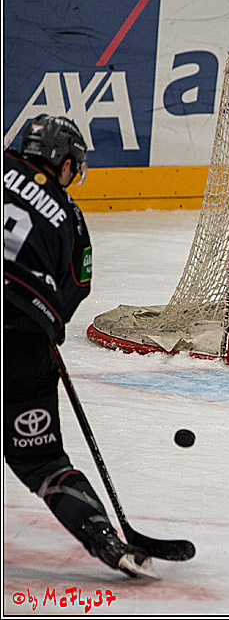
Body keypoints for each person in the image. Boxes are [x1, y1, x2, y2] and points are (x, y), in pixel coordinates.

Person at [4, 115, 155, 578]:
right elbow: (75, 288)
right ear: (63, 162)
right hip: (21, 337)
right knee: (40, 457)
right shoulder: (68, 213)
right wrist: (46, 327)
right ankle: (101, 534)